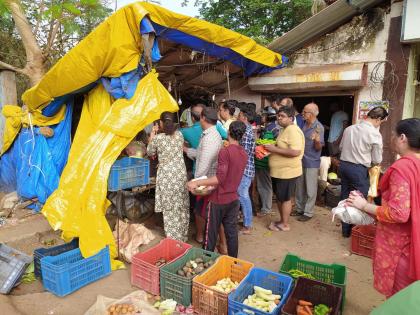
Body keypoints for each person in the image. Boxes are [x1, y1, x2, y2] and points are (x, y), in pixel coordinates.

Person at [346, 118, 420, 298]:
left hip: (401, 246)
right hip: (414, 237)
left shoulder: (403, 167)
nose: (392, 139)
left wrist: (363, 205)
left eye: (394, 135)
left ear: (403, 138)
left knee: (400, 298)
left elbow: (398, 213)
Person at [187, 121, 248, 258]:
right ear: (242, 135)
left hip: (219, 200)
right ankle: (233, 261)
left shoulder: (225, 152)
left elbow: (219, 179)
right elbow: (230, 176)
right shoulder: (244, 154)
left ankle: (207, 262)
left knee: (210, 234)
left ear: (228, 133)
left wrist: (196, 182)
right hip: (233, 199)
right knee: (231, 234)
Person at [339, 106, 388, 237]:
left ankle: (345, 231)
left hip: (343, 166)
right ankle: (357, 231)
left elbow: (341, 147)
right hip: (358, 170)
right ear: (378, 119)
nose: (380, 124)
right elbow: (377, 159)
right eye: (381, 122)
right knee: (361, 200)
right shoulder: (374, 134)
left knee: (345, 197)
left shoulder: (349, 129)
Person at [184, 107, 225, 249]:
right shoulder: (209, 134)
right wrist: (187, 150)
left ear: (203, 118)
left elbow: (204, 163)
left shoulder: (211, 137)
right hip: (207, 179)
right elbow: (201, 155)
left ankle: (209, 240)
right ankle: (207, 238)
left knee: (206, 212)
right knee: (202, 210)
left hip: (207, 181)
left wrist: (195, 182)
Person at [146, 112, 189, 241]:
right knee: (181, 204)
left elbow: (149, 151)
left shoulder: (158, 139)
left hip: (166, 175)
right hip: (180, 173)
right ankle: (183, 235)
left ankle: (172, 238)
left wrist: (152, 135)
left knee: (169, 207)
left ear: (161, 123)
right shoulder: (179, 135)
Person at [265, 106, 304, 231]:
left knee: (285, 198)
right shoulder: (284, 129)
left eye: (282, 116)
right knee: (281, 197)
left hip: (288, 172)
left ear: (291, 118)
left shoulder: (293, 130)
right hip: (280, 172)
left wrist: (274, 149)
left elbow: (295, 151)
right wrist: (272, 147)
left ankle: (285, 224)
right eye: (278, 115)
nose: (279, 118)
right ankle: (282, 220)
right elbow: (283, 147)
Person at [294, 103, 325, 221]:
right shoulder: (304, 124)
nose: (302, 113)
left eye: (305, 112)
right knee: (299, 187)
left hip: (312, 161)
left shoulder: (318, 127)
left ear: (311, 114)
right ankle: (299, 209)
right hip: (301, 159)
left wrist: (317, 141)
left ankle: (308, 212)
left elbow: (318, 147)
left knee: (311, 189)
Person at [254, 107, 277, 217]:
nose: (262, 117)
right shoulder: (269, 127)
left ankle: (266, 209)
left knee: (265, 186)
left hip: (264, 162)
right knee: (264, 185)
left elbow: (265, 148)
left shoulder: (269, 130)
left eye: (264, 115)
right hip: (264, 162)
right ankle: (265, 207)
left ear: (268, 116)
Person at [237, 106, 256, 234]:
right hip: (247, 168)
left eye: (239, 115)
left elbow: (244, 152)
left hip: (245, 169)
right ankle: (246, 221)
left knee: (243, 195)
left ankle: (247, 225)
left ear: (244, 116)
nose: (238, 117)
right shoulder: (248, 130)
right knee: (243, 195)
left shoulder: (246, 132)